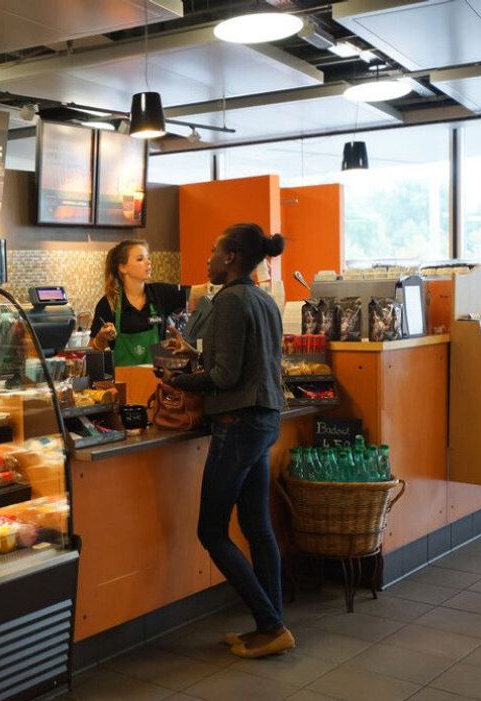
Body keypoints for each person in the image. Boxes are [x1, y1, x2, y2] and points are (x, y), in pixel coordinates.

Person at [165, 223, 293, 659]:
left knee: (211, 531)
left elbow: (224, 376)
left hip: (237, 424)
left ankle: (271, 624)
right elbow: (244, 361)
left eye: (213, 250)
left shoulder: (230, 301)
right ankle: (272, 625)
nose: (208, 259)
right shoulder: (263, 299)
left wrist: (176, 379)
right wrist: (195, 355)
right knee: (257, 526)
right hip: (264, 420)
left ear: (231, 257)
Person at [89, 239, 205, 366]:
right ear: (123, 268)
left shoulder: (160, 293)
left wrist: (218, 280)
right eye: (140, 259)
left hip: (158, 375)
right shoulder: (108, 303)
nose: (148, 262)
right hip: (123, 377)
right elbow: (92, 351)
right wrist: (101, 338)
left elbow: (198, 292)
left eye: (148, 258)